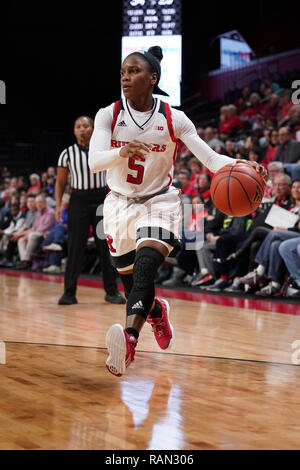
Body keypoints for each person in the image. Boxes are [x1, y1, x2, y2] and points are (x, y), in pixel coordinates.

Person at [88, 45, 267, 377]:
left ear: (152, 78)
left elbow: (212, 161)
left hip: (160, 201)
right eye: (123, 72)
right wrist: (121, 151)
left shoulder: (173, 118)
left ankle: (129, 341)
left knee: (146, 266)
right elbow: (94, 160)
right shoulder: (108, 115)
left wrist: (243, 164)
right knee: (132, 285)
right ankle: (156, 311)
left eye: (134, 71)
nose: (125, 77)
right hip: (117, 205)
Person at [55, 115, 124, 305]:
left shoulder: (104, 149)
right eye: (78, 126)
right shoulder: (67, 153)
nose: (83, 129)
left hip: (102, 199)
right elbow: (60, 182)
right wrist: (59, 205)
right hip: (78, 200)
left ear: (93, 129)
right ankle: (69, 293)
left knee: (105, 246)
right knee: (75, 246)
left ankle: (111, 291)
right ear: (74, 131)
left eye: (86, 126)